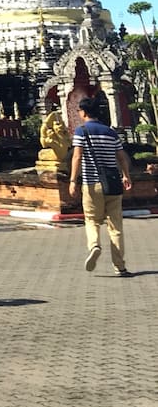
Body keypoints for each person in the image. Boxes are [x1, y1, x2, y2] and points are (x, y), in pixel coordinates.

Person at [69, 96, 132, 276]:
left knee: (92, 219)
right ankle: (120, 266)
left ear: (84, 112)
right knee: (116, 226)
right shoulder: (110, 132)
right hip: (113, 184)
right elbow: (122, 157)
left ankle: (95, 245)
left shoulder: (81, 131)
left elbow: (77, 156)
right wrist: (126, 176)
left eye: (79, 111)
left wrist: (73, 180)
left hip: (92, 184)